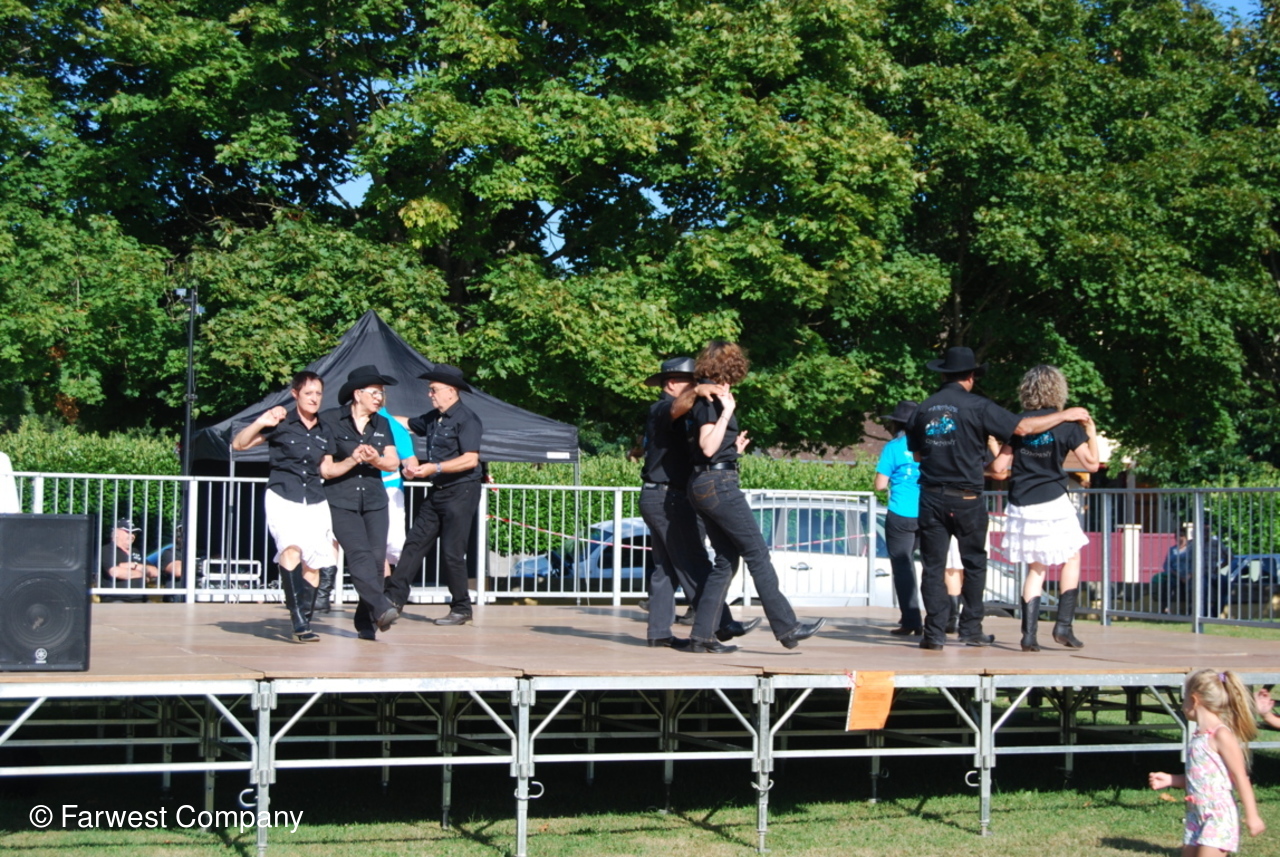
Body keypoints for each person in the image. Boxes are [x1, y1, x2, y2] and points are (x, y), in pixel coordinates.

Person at [906, 346, 1089, 650]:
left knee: (933, 566)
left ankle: (934, 635)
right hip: (966, 496)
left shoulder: (923, 408)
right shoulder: (979, 406)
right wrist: (1066, 415)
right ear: (971, 376)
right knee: (974, 563)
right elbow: (1023, 427)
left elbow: (917, 455)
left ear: (943, 375)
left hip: (931, 495)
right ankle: (971, 630)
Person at [678, 341, 825, 653]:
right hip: (718, 483)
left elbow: (709, 448)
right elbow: (707, 446)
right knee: (757, 553)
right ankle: (787, 627)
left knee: (726, 560)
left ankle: (701, 636)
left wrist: (733, 450)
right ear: (732, 368)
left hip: (705, 481)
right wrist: (727, 414)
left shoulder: (703, 396)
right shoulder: (712, 399)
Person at [639, 357, 760, 649]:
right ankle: (719, 625)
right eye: (690, 381)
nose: (698, 385)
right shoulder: (661, 409)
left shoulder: (682, 416)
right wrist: (698, 390)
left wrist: (731, 451)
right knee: (694, 562)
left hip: (661, 496)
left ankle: (659, 633)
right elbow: (676, 408)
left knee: (666, 568)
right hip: (668, 498)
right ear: (671, 384)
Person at [989, 365, 1100, 652]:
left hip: (1022, 502)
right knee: (1071, 557)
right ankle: (1063, 626)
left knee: (1035, 568)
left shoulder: (1019, 424)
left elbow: (999, 468)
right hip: (1053, 499)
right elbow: (1092, 465)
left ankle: (1028, 636)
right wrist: (1090, 431)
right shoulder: (1068, 426)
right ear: (1058, 390)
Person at [232, 371, 338, 642]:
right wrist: (262, 421)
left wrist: (356, 460)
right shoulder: (281, 422)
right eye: (308, 393)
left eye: (318, 393)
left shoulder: (325, 429)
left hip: (314, 497)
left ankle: (305, 619)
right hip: (283, 493)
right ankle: (298, 620)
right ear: (295, 394)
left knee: (314, 562)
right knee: (290, 549)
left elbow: (327, 469)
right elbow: (239, 444)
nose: (314, 398)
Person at [387, 364, 484, 626]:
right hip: (438, 490)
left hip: (462, 490)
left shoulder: (467, 419)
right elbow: (407, 423)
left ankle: (461, 608)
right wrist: (379, 413)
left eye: (434, 390)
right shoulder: (434, 417)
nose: (429, 394)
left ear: (451, 391)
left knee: (452, 551)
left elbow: (470, 459)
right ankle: (393, 600)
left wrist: (435, 467)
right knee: (414, 543)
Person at [319, 365, 402, 641]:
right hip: (341, 499)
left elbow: (393, 462)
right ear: (358, 394)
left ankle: (366, 621)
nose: (380, 398)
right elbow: (326, 469)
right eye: (375, 393)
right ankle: (381, 607)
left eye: (382, 393)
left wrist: (375, 459)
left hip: (375, 500)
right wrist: (353, 459)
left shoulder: (382, 423)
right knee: (359, 555)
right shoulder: (330, 420)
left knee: (377, 561)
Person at [1150, 669, 1265, 854]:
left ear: (1194, 700)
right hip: (1196, 814)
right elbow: (1203, 779)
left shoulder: (1221, 735)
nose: (1182, 706)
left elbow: (1240, 777)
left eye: (1183, 700)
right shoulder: (1198, 736)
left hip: (1219, 816)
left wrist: (1252, 816)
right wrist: (1172, 780)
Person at [874, 400, 924, 636]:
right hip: (927, 512)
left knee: (903, 566)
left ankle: (911, 620)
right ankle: (940, 619)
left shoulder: (893, 448)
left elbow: (880, 485)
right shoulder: (929, 445)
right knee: (933, 566)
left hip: (901, 513)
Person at [379, 405, 419, 578]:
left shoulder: (391, 424)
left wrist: (410, 470)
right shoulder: (345, 420)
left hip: (388, 489)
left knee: (387, 544)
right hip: (355, 488)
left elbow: (409, 459)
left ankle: (387, 588)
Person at [99, 518, 156, 601]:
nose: (132, 536)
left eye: (134, 533)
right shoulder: (107, 550)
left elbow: (155, 571)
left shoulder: (136, 551)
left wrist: (133, 565)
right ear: (116, 533)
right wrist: (142, 573)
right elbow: (116, 572)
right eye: (128, 532)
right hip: (117, 599)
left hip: (142, 600)